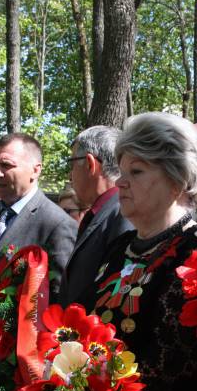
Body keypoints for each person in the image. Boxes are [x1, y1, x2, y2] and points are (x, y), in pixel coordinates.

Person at [33, 112, 197, 391]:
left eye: (136, 170)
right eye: (122, 169)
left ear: (178, 179)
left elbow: (163, 369)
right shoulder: (122, 247)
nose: (120, 182)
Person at [0, 133, 77, 390]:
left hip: (15, 371)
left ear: (35, 170)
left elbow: (57, 301)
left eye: (6, 166)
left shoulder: (56, 224)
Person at [59, 125, 133, 307]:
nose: (70, 175)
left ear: (90, 164)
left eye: (72, 163)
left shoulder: (122, 213)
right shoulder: (107, 210)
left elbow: (116, 294)